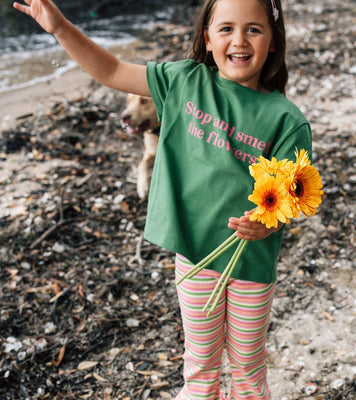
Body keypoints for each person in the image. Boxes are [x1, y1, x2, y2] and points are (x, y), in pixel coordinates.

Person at [14, 0, 312, 399]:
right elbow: (113, 71)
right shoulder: (183, 81)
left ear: (274, 40)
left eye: (254, 29)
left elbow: (295, 197)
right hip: (193, 256)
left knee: (247, 371)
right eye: (226, 29)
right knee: (201, 368)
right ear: (206, 38)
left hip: (250, 266)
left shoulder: (286, 119)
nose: (239, 40)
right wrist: (61, 27)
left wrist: (266, 222)